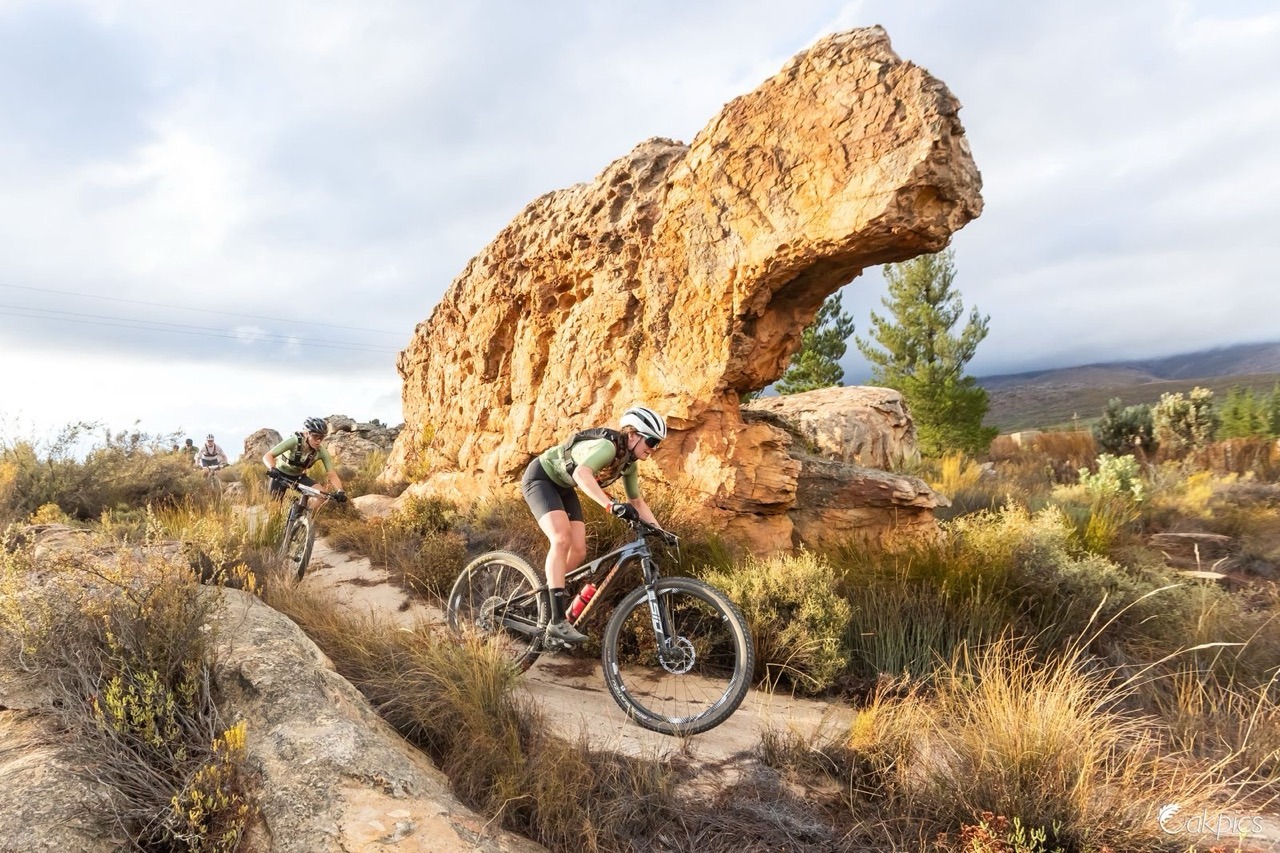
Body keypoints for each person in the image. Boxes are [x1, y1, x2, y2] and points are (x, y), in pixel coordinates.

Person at [521, 405, 672, 645]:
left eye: (657, 444)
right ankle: (557, 621)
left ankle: (543, 602)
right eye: (651, 441)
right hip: (541, 478)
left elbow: (637, 501)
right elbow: (582, 474)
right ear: (633, 435)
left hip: (564, 486)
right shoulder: (608, 447)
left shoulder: (629, 464)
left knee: (579, 550)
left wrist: (661, 532)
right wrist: (610, 506)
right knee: (561, 538)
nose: (653, 449)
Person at [262, 416, 345, 503]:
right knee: (274, 506)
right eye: (315, 436)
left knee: (321, 496)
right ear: (307, 434)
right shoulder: (294, 441)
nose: (318, 441)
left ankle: (303, 511)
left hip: (299, 477)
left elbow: (332, 474)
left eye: (321, 437)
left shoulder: (321, 451)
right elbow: (268, 456)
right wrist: (272, 468)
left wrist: (340, 491)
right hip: (280, 475)